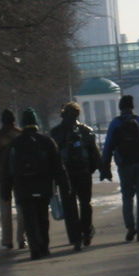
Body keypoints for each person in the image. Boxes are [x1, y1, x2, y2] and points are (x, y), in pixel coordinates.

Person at [100, 94, 139, 242]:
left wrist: (105, 167)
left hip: (124, 165)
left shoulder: (115, 123)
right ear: (132, 107)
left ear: (120, 107)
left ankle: (130, 226)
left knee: (127, 196)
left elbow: (108, 146)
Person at [8, 107, 69, 260]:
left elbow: (7, 169)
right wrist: (63, 184)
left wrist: (5, 189)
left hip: (23, 187)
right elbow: (57, 165)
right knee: (42, 216)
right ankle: (44, 246)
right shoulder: (46, 141)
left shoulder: (15, 144)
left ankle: (34, 248)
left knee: (29, 218)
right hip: (43, 185)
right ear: (36, 123)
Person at [49, 102, 101, 251]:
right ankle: (86, 231)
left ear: (63, 114)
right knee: (85, 203)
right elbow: (95, 153)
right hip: (83, 172)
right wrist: (96, 169)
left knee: (69, 206)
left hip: (65, 175)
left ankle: (75, 238)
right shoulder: (86, 131)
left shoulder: (56, 133)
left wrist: (54, 175)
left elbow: (52, 156)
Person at [0, 108, 25, 250]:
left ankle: (7, 239)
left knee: (5, 209)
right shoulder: (20, 134)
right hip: (19, 176)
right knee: (22, 208)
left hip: (1, 176)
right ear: (14, 120)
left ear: (2, 121)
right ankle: (21, 238)